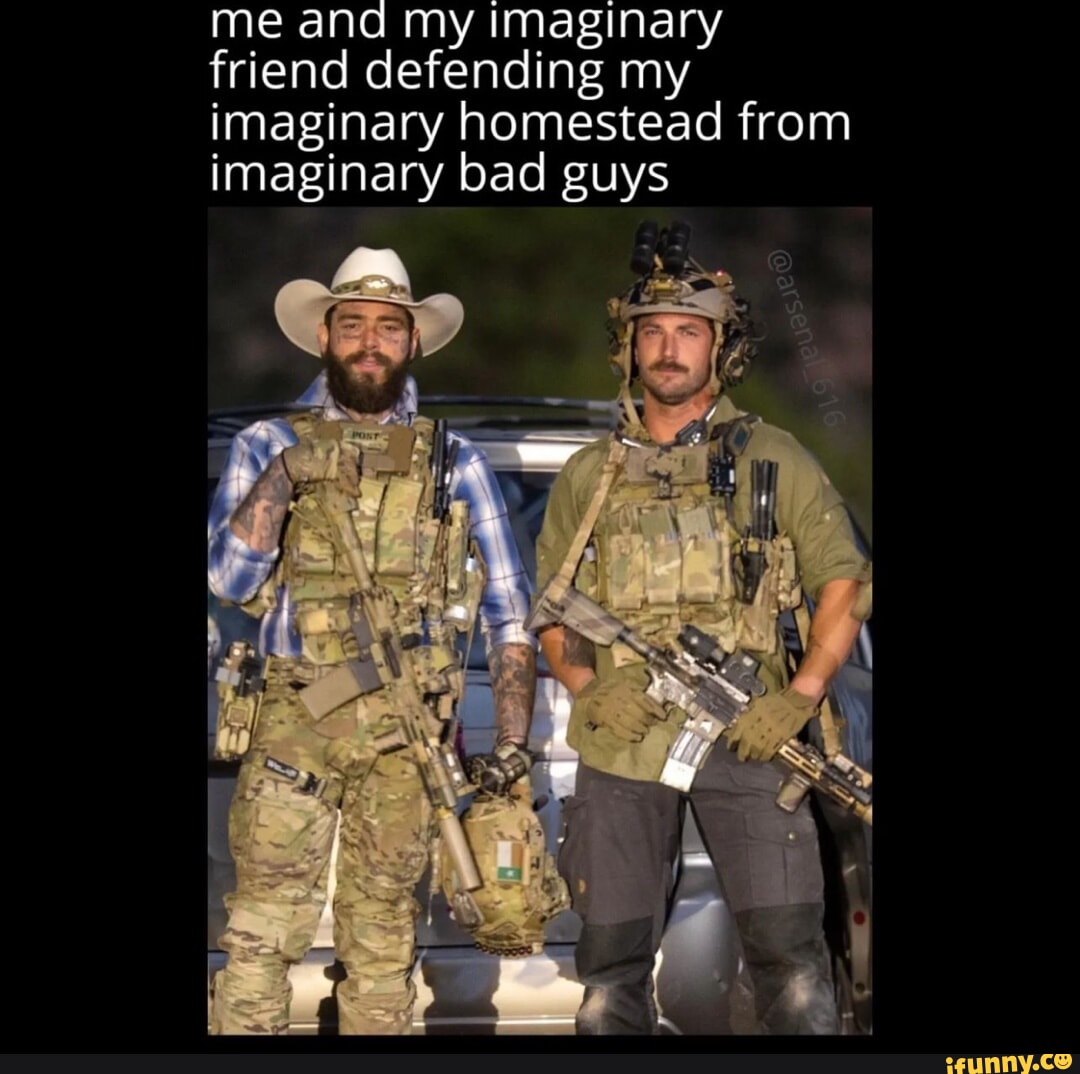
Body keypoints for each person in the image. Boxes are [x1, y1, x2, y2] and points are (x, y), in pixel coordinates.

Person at [533, 222, 873, 1035]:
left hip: (750, 735)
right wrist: (587, 688)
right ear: (628, 347)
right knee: (608, 980)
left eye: (689, 332)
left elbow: (845, 580)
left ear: (720, 349)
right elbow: (554, 607)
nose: (668, 349)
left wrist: (799, 697)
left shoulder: (772, 458)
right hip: (626, 741)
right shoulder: (589, 475)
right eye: (652, 331)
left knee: (792, 970)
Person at [207, 245, 537, 1035]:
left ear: (413, 341)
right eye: (351, 324)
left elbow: (511, 618)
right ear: (324, 335)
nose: (369, 342)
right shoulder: (266, 442)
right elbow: (228, 579)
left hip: (404, 734)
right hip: (296, 721)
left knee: (385, 947)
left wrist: (513, 748)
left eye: (388, 327)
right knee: (260, 939)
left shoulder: (455, 460)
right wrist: (289, 473)